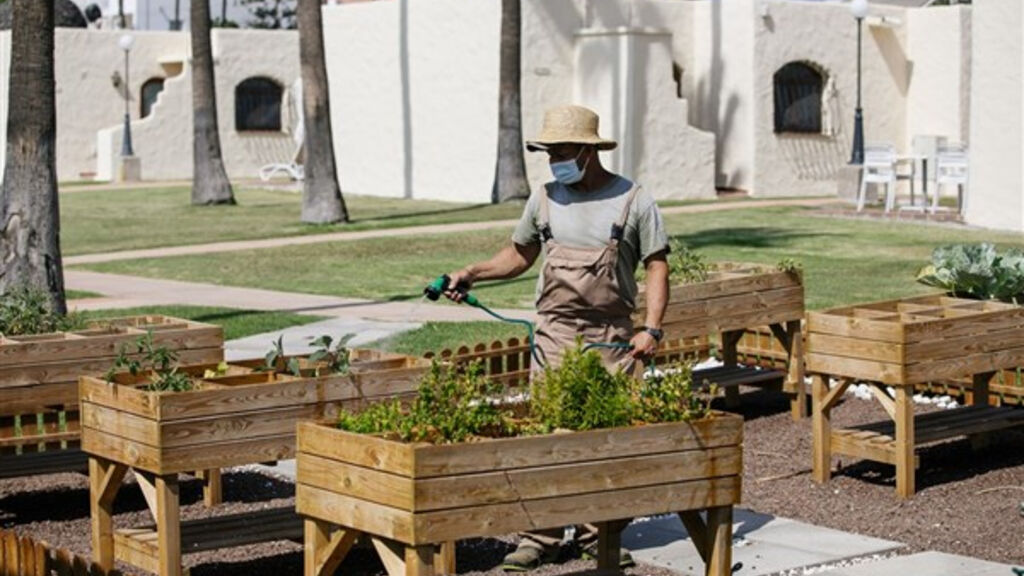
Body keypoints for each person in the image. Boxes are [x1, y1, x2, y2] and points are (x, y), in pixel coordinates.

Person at [444, 104, 671, 571]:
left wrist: (650, 328)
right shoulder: (544, 198)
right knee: (547, 432)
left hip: (612, 336)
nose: (553, 160)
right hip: (554, 332)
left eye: (562, 151)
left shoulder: (633, 200)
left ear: (588, 151)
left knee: (605, 436)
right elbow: (519, 254)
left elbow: (656, 264)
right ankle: (539, 537)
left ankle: (598, 535)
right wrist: (472, 272)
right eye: (549, 152)